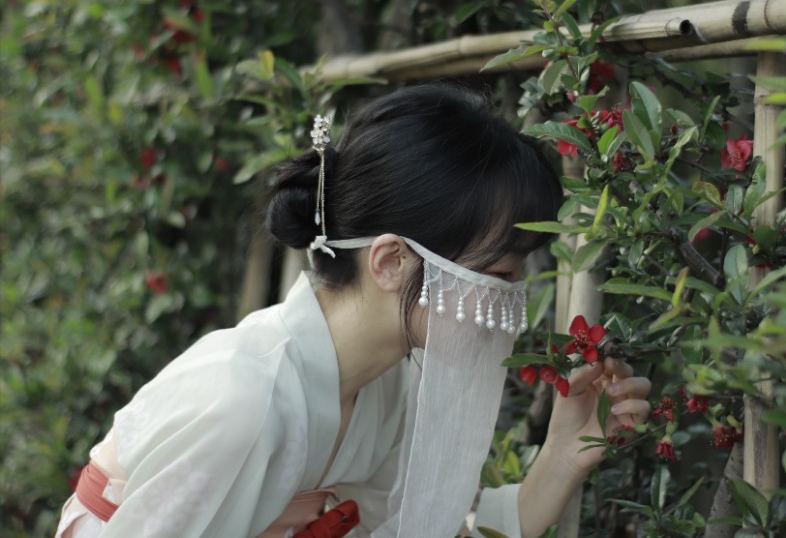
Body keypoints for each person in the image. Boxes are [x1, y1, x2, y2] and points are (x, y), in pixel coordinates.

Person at [55, 85, 651, 538]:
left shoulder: (384, 380)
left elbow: (417, 525)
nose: (510, 310)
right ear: (391, 262)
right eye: (495, 279)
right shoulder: (244, 399)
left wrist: (564, 454)